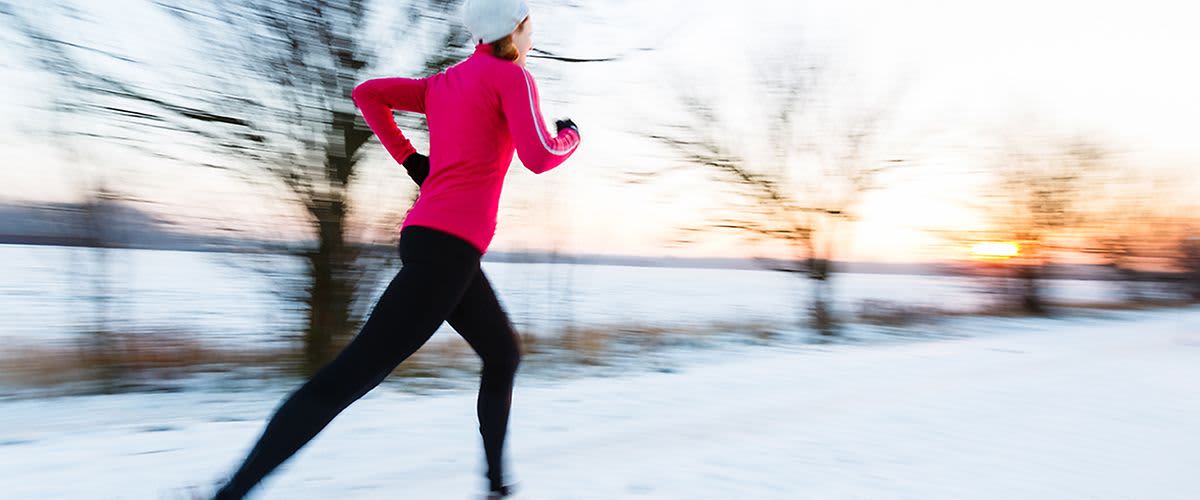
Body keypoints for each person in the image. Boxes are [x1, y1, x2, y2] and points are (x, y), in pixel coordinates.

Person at [210, 0, 580, 497]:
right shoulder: (511, 78)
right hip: (448, 250)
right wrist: (571, 136)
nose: (532, 31)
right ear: (516, 28)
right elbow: (539, 155)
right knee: (350, 376)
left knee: (502, 354)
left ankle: (496, 486)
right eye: (528, 23)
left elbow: (368, 93)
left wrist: (412, 161)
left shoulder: (444, 83)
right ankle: (230, 491)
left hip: (436, 241)